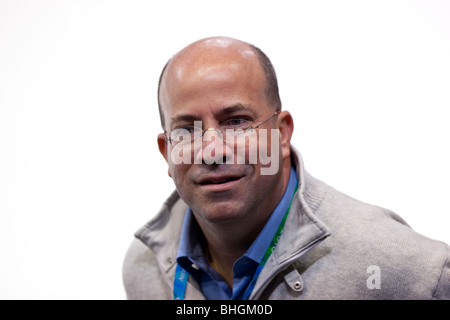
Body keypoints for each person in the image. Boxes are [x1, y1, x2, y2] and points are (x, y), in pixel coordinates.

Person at [122, 36, 450, 300]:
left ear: (281, 133)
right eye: (187, 130)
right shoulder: (145, 268)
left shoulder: (401, 270)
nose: (213, 151)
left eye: (236, 122)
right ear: (167, 152)